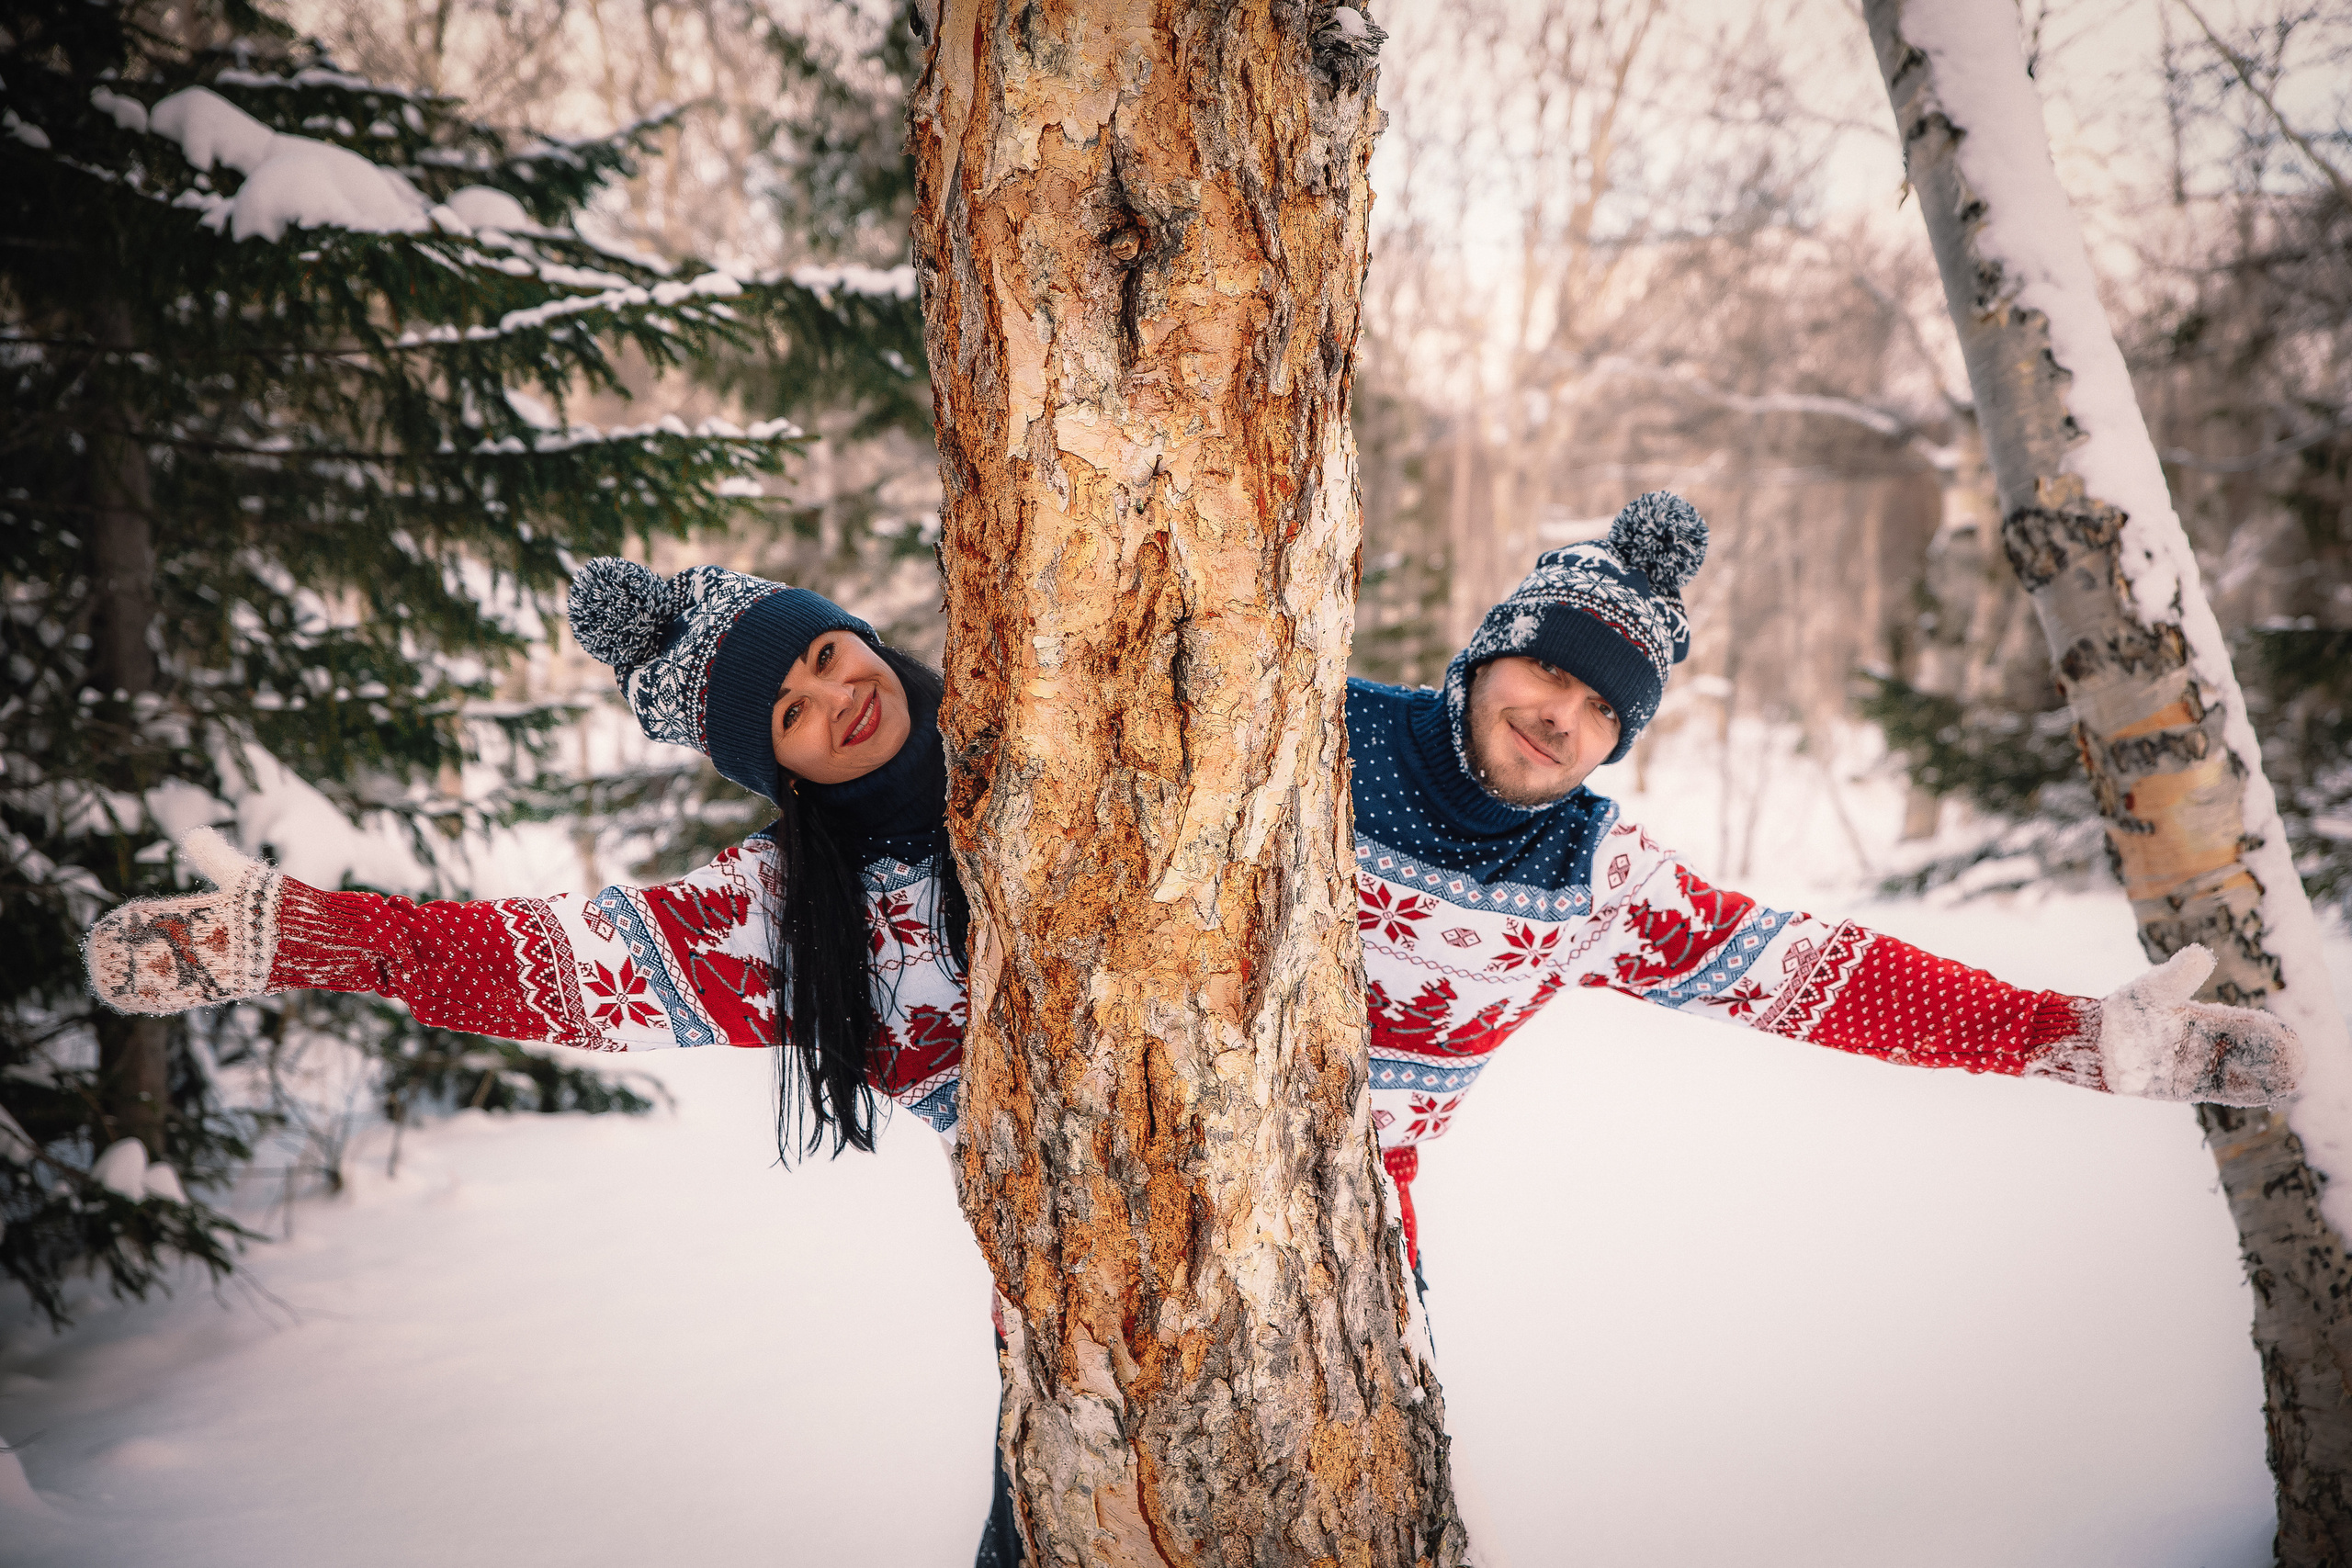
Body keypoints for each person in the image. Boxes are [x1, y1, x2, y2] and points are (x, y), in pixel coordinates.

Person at [84, 495, 2301, 1564]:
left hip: (1340, 1297)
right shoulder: (816, 918)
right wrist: (291, 930)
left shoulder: (1164, 753)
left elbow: (1812, 972)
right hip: (1091, 1318)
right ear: (757, 756)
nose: (841, 691)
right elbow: (529, 969)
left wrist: (2075, 1041)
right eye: (787, 698)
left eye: (836, 649)